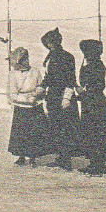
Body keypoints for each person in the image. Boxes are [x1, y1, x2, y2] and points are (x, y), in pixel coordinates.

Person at [40, 28, 80, 171]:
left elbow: (69, 79)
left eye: (47, 43)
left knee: (62, 128)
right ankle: (62, 157)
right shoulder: (56, 56)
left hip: (60, 97)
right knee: (59, 128)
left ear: (51, 43)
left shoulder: (62, 57)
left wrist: (67, 97)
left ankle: (65, 159)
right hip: (56, 97)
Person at [76, 40, 106, 177]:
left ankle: (98, 165)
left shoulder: (95, 65)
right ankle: (95, 163)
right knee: (92, 133)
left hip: (94, 103)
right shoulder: (95, 64)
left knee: (94, 133)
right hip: (93, 103)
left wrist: (83, 93)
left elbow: (97, 86)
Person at [6, 47, 51, 167]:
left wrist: (36, 95)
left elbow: (41, 86)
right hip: (21, 108)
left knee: (34, 133)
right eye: (23, 60)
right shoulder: (13, 74)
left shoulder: (35, 71)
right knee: (21, 133)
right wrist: (26, 100)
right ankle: (21, 156)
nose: (27, 62)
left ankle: (33, 156)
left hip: (35, 106)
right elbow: (13, 94)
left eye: (27, 59)